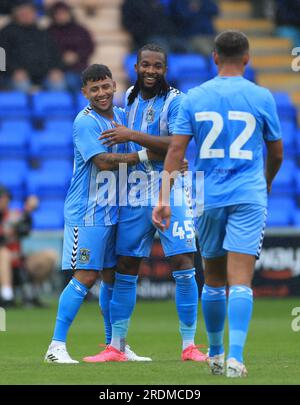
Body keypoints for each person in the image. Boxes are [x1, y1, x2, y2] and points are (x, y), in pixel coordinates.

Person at [152, 30, 283, 377]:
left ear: (214, 57)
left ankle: (214, 354)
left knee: (212, 279)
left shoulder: (195, 97)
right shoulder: (261, 96)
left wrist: (163, 197)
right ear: (247, 58)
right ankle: (236, 359)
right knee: (241, 281)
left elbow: (176, 151)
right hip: (247, 194)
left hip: (208, 196)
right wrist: (265, 182)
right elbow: (277, 151)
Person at [83, 44, 207, 363]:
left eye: (158, 66)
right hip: (135, 190)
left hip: (171, 187)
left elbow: (176, 144)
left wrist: (133, 135)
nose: (152, 71)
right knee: (126, 266)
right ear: (136, 66)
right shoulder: (130, 98)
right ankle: (117, 346)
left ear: (165, 69)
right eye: (146, 65)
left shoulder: (177, 101)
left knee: (183, 263)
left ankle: (189, 346)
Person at [44, 63, 163, 363]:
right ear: (84, 92)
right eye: (94, 88)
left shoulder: (123, 118)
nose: (102, 93)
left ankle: (116, 345)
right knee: (85, 276)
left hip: (115, 211)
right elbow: (105, 162)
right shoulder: (85, 122)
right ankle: (56, 347)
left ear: (114, 86)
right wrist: (144, 155)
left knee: (112, 278)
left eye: (106, 86)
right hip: (87, 212)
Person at [0, 0, 65, 91]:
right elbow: (2, 58)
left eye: (30, 12)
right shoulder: (6, 33)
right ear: (16, 14)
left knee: (58, 84)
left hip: (43, 75)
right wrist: (13, 71)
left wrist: (56, 69)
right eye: (23, 13)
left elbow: (55, 55)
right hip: (14, 76)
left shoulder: (43, 33)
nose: (26, 15)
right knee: (22, 86)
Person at [47, 1, 95, 92]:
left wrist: (77, 56)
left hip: (80, 68)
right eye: (58, 14)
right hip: (57, 70)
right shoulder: (48, 33)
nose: (61, 16)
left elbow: (89, 47)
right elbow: (46, 53)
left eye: (63, 13)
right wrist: (59, 63)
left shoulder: (81, 30)